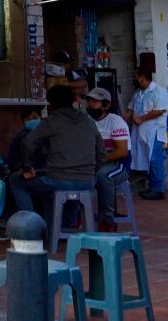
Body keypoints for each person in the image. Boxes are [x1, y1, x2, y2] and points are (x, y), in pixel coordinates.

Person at [9, 85, 105, 223]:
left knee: (15, 180)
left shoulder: (52, 121)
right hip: (86, 181)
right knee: (52, 186)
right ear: (73, 100)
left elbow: (27, 143)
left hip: (58, 180)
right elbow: (101, 153)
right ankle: (66, 225)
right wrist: (90, 172)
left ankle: (32, 228)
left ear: (51, 104)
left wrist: (26, 168)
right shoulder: (88, 121)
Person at [85, 88, 130, 230]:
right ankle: (74, 219)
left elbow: (122, 152)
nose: (90, 105)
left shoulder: (116, 121)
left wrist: (99, 160)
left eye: (94, 102)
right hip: (95, 164)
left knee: (103, 176)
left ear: (106, 105)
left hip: (118, 165)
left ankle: (108, 221)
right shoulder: (86, 121)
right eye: (89, 101)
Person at [126, 66, 168, 200]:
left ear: (143, 78)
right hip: (141, 132)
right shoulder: (138, 93)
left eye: (136, 77)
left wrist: (141, 119)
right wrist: (119, 120)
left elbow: (160, 110)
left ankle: (158, 189)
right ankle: (152, 186)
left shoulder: (159, 92)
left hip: (155, 131)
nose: (134, 79)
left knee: (155, 159)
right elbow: (130, 109)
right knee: (147, 159)